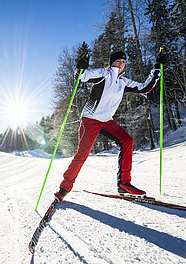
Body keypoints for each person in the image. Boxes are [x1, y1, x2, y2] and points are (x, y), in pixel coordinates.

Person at [55, 50, 165, 201]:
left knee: (127, 141)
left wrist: (157, 67)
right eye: (118, 61)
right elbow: (82, 76)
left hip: (106, 120)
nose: (121, 65)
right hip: (91, 119)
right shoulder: (102, 74)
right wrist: (80, 67)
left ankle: (124, 184)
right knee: (82, 154)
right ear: (112, 62)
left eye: (124, 62)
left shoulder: (123, 81)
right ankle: (64, 187)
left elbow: (145, 88)